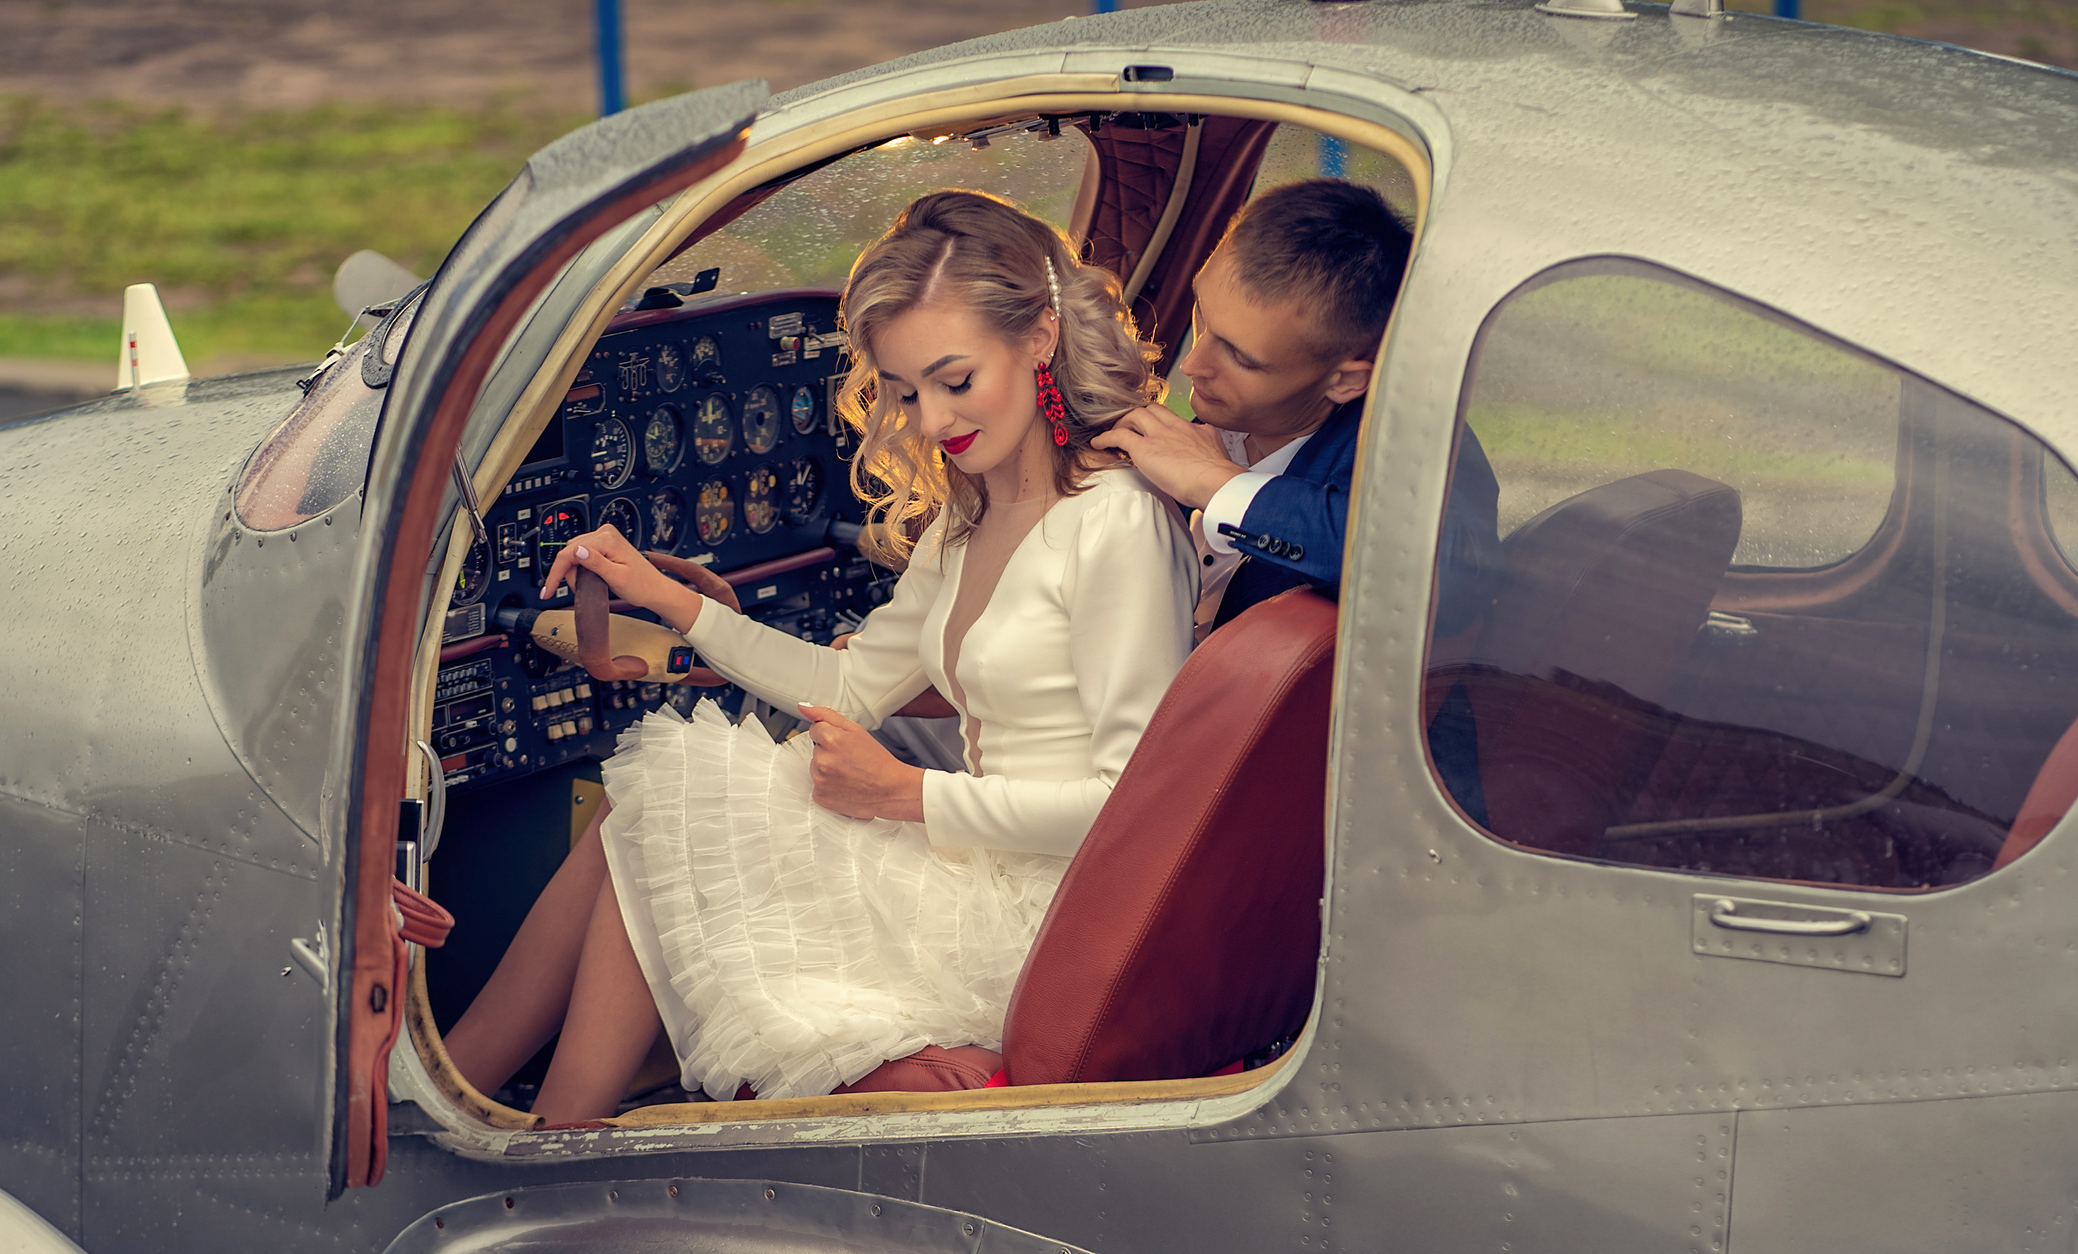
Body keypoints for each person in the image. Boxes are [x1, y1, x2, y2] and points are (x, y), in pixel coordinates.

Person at [444, 190, 1198, 1121]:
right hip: (976, 859)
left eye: (956, 381)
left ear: (1040, 339)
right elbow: (848, 683)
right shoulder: (969, 519)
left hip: (1046, 920)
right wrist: (673, 601)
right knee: (647, 808)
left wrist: (902, 794)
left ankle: (524, 1132)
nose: (930, 422)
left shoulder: (1116, 523)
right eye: (905, 390)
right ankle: (472, 1102)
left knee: (666, 804)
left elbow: (1132, 813)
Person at [1093, 177, 1501, 640]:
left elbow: (1446, 578)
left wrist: (1219, 485)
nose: (1192, 363)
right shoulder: (1201, 425)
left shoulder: (1417, 440)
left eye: (1241, 358)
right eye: (1201, 312)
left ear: (1346, 380)